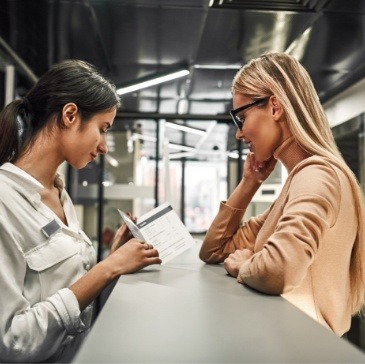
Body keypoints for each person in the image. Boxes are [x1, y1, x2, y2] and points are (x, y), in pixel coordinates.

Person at [0, 60, 161, 363]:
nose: (104, 147)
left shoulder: (59, 193)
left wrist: (114, 260)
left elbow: (66, 292)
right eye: (102, 129)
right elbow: (10, 341)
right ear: (70, 115)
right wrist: (107, 269)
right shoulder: (4, 202)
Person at [199, 51, 365, 337]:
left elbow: (279, 269)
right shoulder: (299, 181)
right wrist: (250, 183)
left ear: (275, 107)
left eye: (242, 118)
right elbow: (213, 250)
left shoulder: (318, 175)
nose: (239, 134)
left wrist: (244, 264)